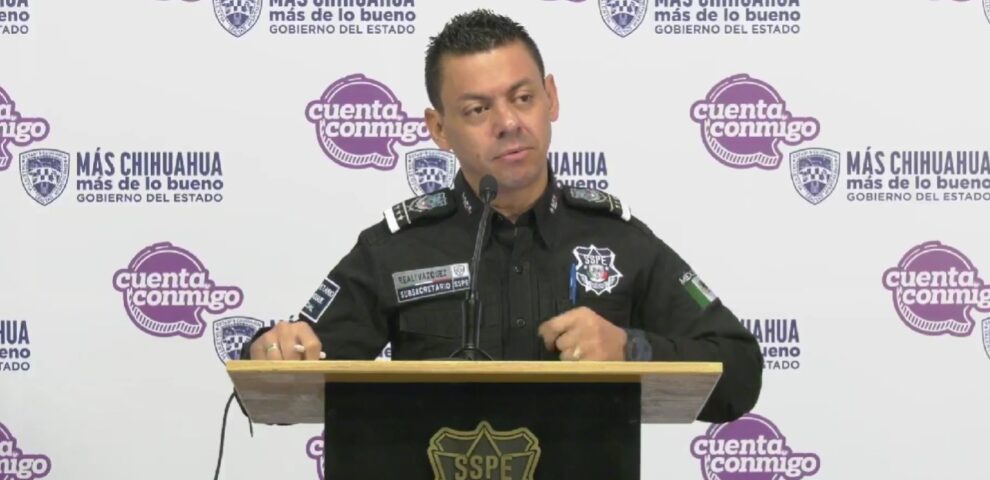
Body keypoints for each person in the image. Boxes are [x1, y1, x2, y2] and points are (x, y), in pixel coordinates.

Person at [245, 9, 762, 423]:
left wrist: (631, 350)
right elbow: (278, 375)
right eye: (477, 110)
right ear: (439, 129)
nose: (509, 122)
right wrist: (273, 353)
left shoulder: (619, 241)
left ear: (551, 98)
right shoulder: (395, 250)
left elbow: (740, 373)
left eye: (523, 97)